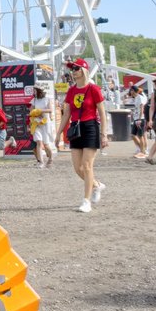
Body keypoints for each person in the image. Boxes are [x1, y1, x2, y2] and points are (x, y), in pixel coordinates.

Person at [57, 59, 108, 213]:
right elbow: (66, 114)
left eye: (76, 68)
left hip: (90, 127)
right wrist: (58, 133)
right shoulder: (71, 90)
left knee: (86, 166)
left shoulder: (94, 89)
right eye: (72, 69)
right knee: (77, 168)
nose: (73, 71)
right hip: (75, 128)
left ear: (84, 70)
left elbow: (102, 113)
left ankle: (86, 201)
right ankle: (96, 185)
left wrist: (104, 134)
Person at [29, 86, 56, 168]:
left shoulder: (47, 99)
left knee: (46, 144)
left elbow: (50, 110)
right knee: (39, 142)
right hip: (36, 123)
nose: (33, 92)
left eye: (35, 90)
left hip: (45, 123)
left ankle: (50, 158)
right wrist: (35, 113)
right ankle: (41, 162)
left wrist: (40, 111)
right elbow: (31, 111)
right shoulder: (34, 100)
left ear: (39, 91)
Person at [127, 84, 149, 158]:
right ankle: (142, 149)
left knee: (141, 136)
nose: (130, 91)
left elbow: (142, 108)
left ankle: (143, 151)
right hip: (136, 118)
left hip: (140, 119)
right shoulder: (136, 98)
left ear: (133, 90)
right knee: (133, 135)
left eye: (131, 90)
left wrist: (139, 119)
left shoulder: (140, 97)